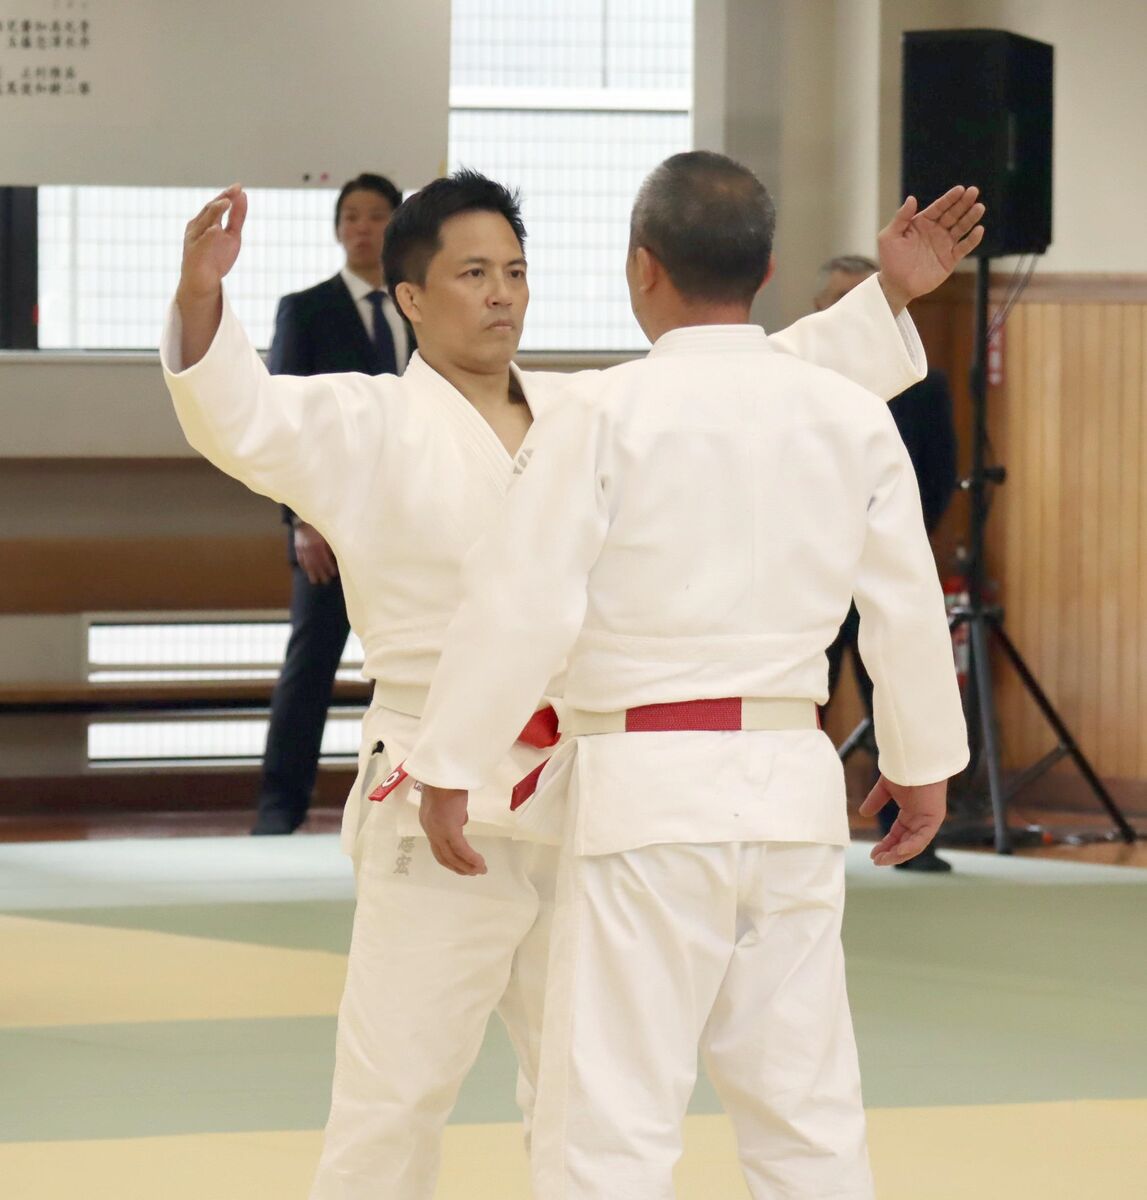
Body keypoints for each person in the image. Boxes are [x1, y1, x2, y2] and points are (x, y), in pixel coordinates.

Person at [161, 168, 981, 1199]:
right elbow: (236, 414)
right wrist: (201, 297)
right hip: (436, 785)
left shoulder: (582, 403)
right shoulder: (358, 422)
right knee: (396, 1093)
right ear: (408, 296)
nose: (502, 293)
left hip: (592, 788)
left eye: (515, 270)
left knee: (580, 1100)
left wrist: (887, 298)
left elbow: (744, 376)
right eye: (471, 273)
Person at [403, 153, 975, 1199]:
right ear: (762, 270)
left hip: (647, 791)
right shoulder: (845, 414)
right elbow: (903, 601)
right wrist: (923, 762)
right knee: (804, 1109)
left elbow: (523, 603)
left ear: (642, 268)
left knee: (610, 1120)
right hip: (792, 786)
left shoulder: (597, 412)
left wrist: (448, 760)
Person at [253, 172, 410, 836]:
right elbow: (283, 422)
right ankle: (279, 809)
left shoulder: (420, 306)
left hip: (408, 521)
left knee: (414, 667)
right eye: (352, 216)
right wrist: (302, 519)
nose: (363, 227)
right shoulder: (306, 308)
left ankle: (407, 803)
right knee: (310, 665)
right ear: (337, 227)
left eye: (377, 216)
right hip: (330, 522)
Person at [815, 253, 959, 871]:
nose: (845, 310)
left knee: (890, 700)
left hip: (883, 566)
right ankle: (804, 828)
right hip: (812, 575)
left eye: (858, 298)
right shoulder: (798, 385)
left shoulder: (925, 384)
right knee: (802, 698)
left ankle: (900, 829)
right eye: (835, 301)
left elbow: (938, 474)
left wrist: (893, 548)